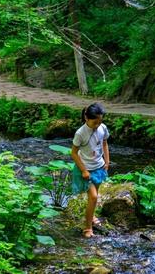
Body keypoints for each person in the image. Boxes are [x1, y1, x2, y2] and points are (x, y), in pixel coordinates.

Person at [71, 102, 110, 238]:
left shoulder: (102, 128)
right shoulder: (80, 133)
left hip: (98, 166)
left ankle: (91, 216)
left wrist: (107, 160)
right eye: (95, 122)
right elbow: (74, 153)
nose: (98, 125)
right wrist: (83, 170)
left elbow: (105, 143)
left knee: (95, 195)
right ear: (86, 118)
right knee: (93, 197)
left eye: (100, 121)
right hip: (86, 169)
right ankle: (87, 228)